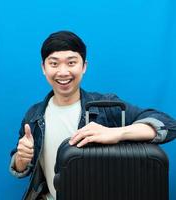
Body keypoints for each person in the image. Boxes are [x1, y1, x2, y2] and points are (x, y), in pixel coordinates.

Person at [9, 30, 176, 200]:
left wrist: (117, 133)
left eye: (71, 62)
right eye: (54, 64)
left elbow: (168, 125)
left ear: (84, 66)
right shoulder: (34, 115)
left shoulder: (107, 107)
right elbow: (20, 168)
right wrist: (21, 158)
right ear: (43, 68)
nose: (63, 72)